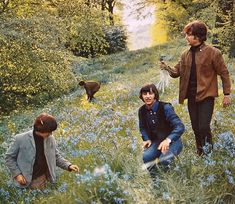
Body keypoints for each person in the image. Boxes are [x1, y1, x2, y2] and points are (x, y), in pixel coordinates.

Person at [160, 20, 232, 155]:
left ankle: (208, 154)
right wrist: (167, 68)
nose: (186, 37)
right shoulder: (185, 54)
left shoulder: (213, 53)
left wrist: (227, 94)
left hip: (206, 96)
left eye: (189, 34)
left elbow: (224, 73)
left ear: (198, 36)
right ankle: (200, 153)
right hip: (191, 97)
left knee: (203, 127)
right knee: (195, 127)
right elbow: (176, 72)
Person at [5, 113, 79, 189]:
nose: (51, 133)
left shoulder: (50, 139)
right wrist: (17, 174)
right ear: (40, 129)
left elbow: (56, 156)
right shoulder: (20, 139)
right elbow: (9, 158)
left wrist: (68, 165)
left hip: (43, 178)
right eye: (49, 131)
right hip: (24, 179)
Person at [138, 84, 185, 177]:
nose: (147, 96)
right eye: (145, 94)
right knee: (146, 157)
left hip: (173, 141)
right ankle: (156, 181)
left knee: (164, 160)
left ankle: (172, 179)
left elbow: (180, 126)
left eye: (150, 93)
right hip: (157, 142)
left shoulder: (165, 107)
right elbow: (142, 127)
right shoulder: (142, 110)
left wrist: (168, 140)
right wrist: (146, 139)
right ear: (141, 96)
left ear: (155, 94)